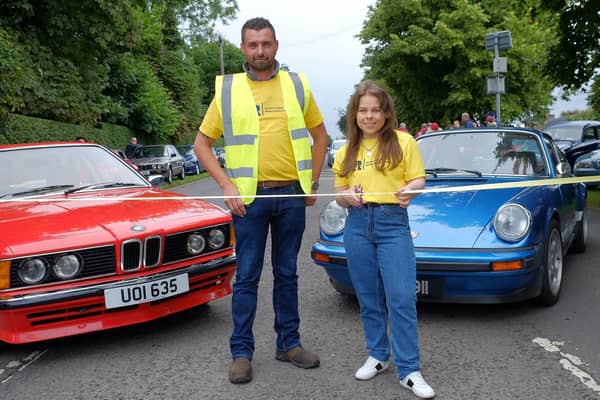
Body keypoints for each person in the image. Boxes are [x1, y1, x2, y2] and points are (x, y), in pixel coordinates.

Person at [193, 17, 328, 384]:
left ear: (276, 45)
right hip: (248, 202)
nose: (260, 51)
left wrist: (312, 181)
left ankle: (289, 343)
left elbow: (321, 138)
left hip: (290, 196)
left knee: (287, 274)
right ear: (243, 49)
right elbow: (201, 145)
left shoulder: (297, 85)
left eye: (265, 44)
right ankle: (241, 353)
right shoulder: (228, 90)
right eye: (252, 45)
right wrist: (226, 185)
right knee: (247, 278)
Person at [333, 80, 435, 399]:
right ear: (355, 114)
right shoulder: (345, 150)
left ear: (386, 113)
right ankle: (378, 355)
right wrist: (347, 197)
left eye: (376, 110)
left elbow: (418, 178)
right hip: (357, 225)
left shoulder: (404, 142)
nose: (369, 116)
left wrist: (412, 189)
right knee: (368, 296)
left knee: (401, 297)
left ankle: (408, 369)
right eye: (363, 110)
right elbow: (338, 193)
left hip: (393, 224)